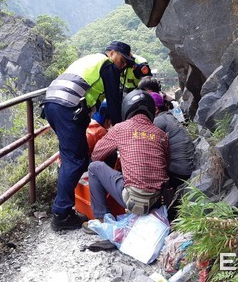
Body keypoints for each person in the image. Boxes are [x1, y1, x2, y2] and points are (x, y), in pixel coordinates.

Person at [44, 41, 134, 231]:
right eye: (122, 59)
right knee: (74, 160)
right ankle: (61, 214)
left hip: (52, 103)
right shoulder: (107, 65)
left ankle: (67, 201)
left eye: (127, 63)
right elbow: (114, 102)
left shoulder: (91, 59)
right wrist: (120, 131)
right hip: (67, 106)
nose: (123, 65)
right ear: (111, 53)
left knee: (76, 155)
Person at [86, 90, 170, 225]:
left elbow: (96, 155)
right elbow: (166, 164)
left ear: (126, 109)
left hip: (134, 200)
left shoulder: (120, 128)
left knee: (94, 167)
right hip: (158, 200)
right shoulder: (161, 135)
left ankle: (102, 220)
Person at [149, 92, 195, 220]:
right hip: (187, 169)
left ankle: (158, 214)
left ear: (156, 109)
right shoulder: (169, 116)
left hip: (177, 172)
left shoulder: (158, 121)